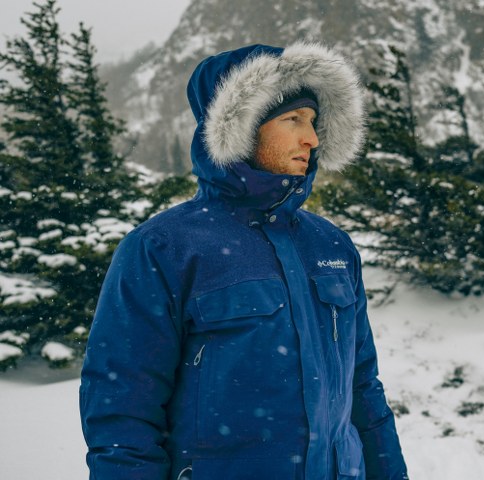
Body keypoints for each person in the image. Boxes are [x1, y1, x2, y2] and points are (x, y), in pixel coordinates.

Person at [79, 42, 409, 479]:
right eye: (292, 119)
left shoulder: (332, 246)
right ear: (243, 127)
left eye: (313, 121)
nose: (311, 137)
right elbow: (122, 412)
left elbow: (363, 389)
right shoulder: (163, 248)